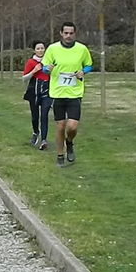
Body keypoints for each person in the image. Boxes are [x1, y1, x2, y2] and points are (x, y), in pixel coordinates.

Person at [42, 21, 93, 167]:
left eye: (71, 33)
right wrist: (47, 69)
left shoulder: (82, 49)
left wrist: (84, 71)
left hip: (75, 92)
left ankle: (69, 142)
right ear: (61, 33)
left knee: (72, 127)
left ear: (75, 34)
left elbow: (89, 65)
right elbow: (44, 67)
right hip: (57, 93)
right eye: (66, 33)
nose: (68, 36)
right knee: (60, 126)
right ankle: (60, 155)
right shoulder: (53, 49)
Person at [22, 41, 52, 150]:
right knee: (35, 116)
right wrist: (34, 71)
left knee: (44, 115)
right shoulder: (30, 62)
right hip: (33, 91)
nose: (40, 50)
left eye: (42, 48)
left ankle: (44, 140)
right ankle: (36, 132)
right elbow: (24, 79)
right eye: (38, 48)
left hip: (46, 91)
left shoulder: (49, 61)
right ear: (34, 50)